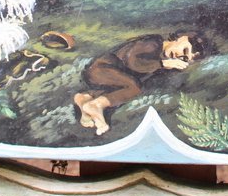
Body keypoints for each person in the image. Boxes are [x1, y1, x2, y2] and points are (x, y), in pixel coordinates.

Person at [74, 31, 208, 136]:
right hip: (100, 69)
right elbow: (132, 61)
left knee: (124, 85)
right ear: (180, 38)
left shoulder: (161, 58)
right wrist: (162, 63)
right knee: (134, 87)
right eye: (184, 51)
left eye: (184, 58)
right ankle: (96, 105)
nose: (179, 57)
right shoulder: (154, 43)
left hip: (105, 76)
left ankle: (84, 99)